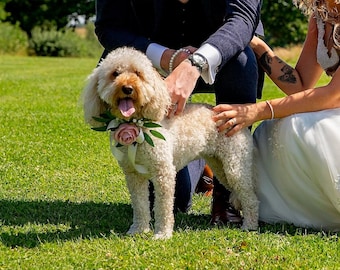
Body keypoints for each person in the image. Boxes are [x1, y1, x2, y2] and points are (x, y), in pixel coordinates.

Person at [94, 0, 264, 223]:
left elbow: (242, 19)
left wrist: (196, 63)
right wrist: (163, 56)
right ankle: (195, 156)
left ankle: (226, 197)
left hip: (224, 53)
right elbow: (109, 26)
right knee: (176, 200)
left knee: (242, 62)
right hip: (147, 55)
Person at [213, 0, 340, 231]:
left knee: (304, 127)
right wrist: (256, 44)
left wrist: (257, 110)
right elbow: (300, 85)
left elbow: (334, 94)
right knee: (278, 127)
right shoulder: (321, 16)